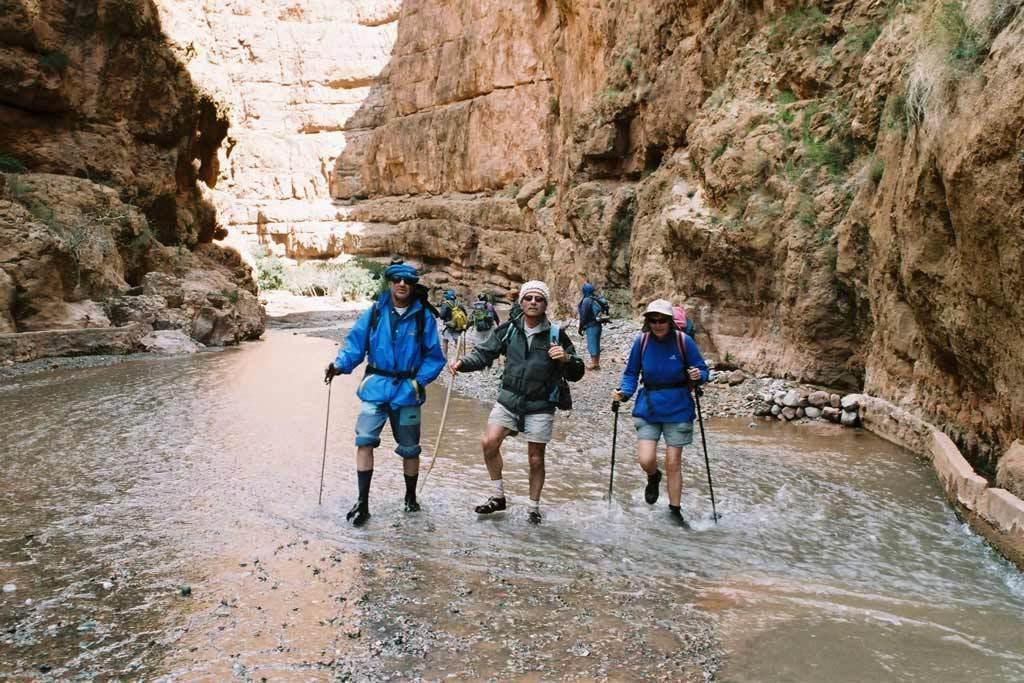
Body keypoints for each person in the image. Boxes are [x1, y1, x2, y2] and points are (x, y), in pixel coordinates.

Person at [449, 280, 585, 525]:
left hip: (541, 403)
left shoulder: (556, 334)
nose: (533, 302)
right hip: (509, 399)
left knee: (535, 458)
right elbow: (484, 353)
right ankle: (498, 496)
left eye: (539, 299)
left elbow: (577, 371)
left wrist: (566, 359)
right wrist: (462, 363)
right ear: (521, 302)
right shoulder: (510, 329)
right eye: (529, 298)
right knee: (489, 442)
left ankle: (533, 508)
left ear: (545, 304)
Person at [324, 262, 446, 526]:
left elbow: (435, 357)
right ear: (390, 283)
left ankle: (410, 499)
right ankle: (362, 503)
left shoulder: (424, 317)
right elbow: (355, 345)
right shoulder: (375, 313)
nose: (402, 284)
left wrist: (418, 382)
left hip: (407, 393)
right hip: (375, 389)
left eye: (408, 281)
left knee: (410, 449)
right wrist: (339, 366)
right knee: (364, 441)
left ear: (413, 286)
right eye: (397, 280)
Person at [613, 299, 709, 528]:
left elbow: (703, 370)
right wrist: (624, 393)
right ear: (647, 321)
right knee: (646, 459)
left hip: (678, 406)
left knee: (674, 461)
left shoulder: (683, 341)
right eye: (653, 320)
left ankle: (675, 510)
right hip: (649, 406)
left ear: (670, 322)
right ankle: (653, 476)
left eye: (662, 320)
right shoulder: (642, 342)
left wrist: (699, 376)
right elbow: (631, 373)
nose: (657, 325)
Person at [577, 282, 605, 370]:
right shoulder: (595, 298)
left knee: (592, 344)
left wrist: (580, 327)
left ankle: (594, 364)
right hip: (598, 325)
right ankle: (596, 363)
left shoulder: (586, 300)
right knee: (596, 344)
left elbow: (583, 316)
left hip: (591, 326)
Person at [437, 289, 468, 358]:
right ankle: (460, 357)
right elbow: (465, 314)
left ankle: (445, 356)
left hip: (449, 326)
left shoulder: (446, 304)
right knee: (458, 341)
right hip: (459, 326)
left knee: (445, 340)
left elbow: (441, 316)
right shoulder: (459, 303)